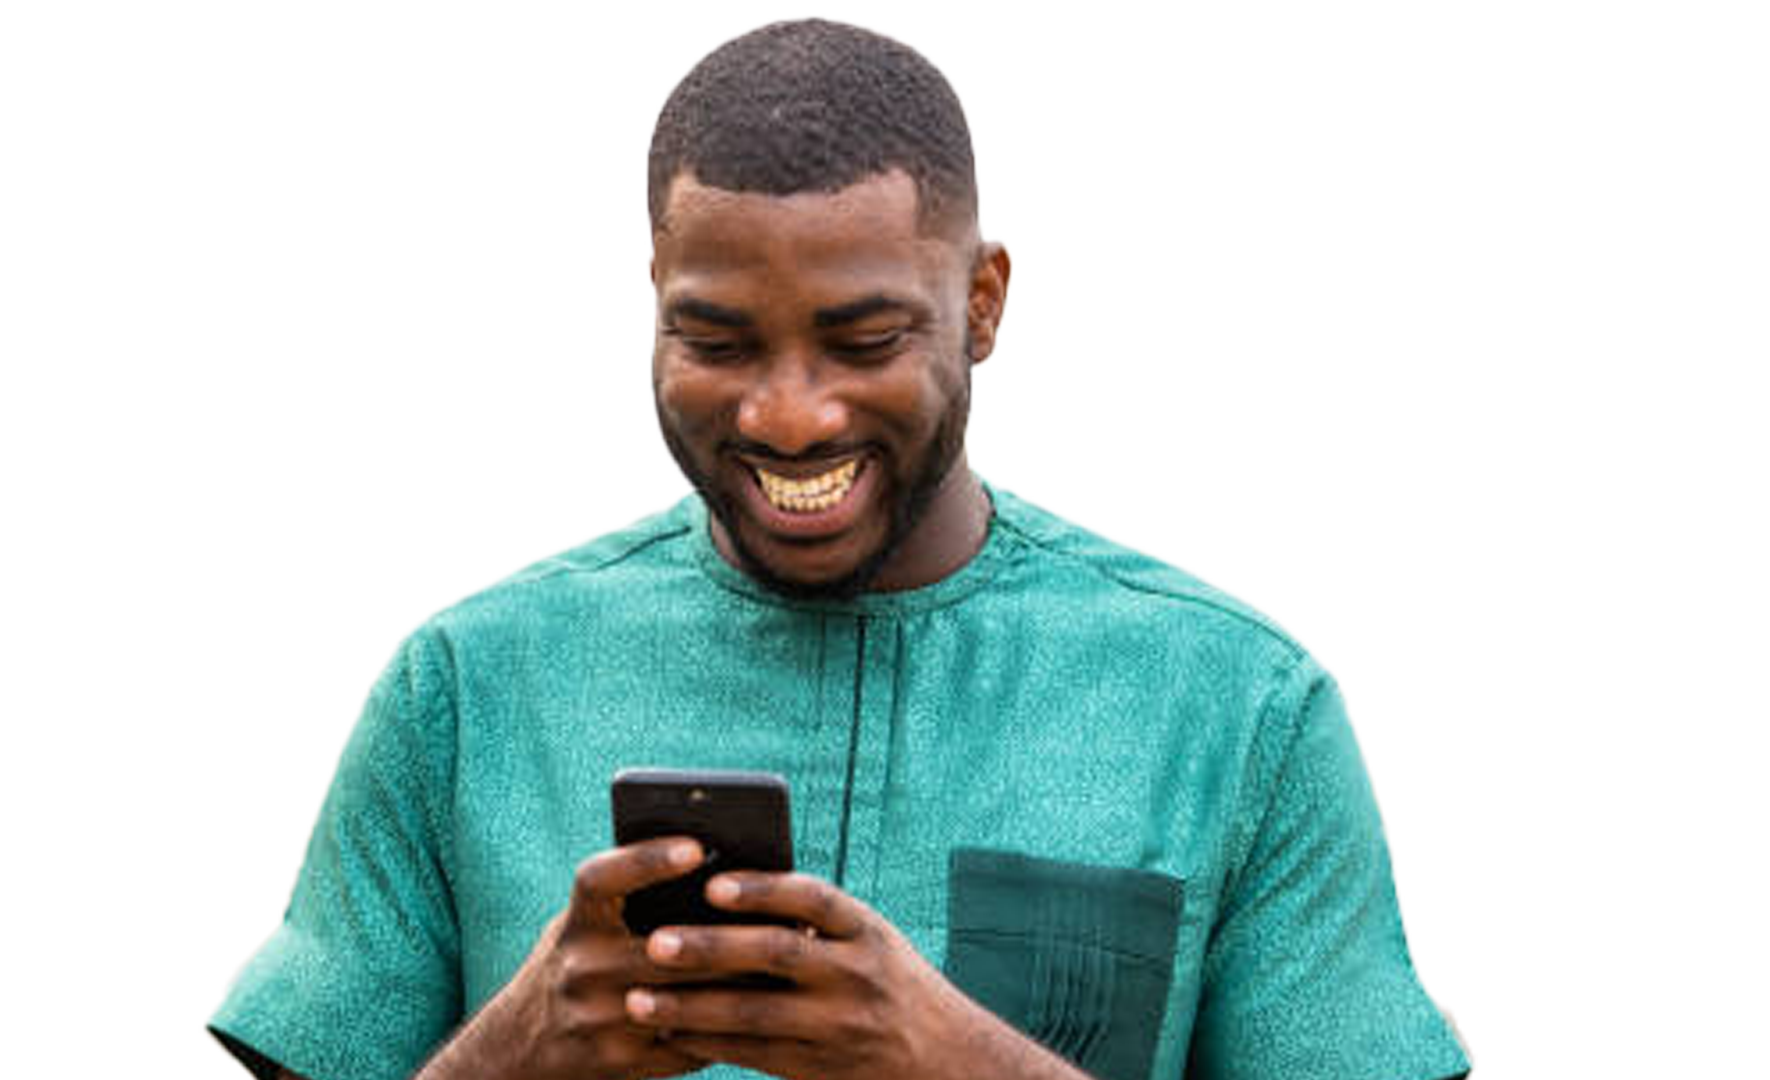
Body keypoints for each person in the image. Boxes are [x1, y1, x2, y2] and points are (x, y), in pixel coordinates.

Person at [206, 16, 1473, 1080]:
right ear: (655, 296)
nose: (789, 414)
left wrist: (955, 1057)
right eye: (717, 342)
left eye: (864, 341)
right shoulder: (464, 695)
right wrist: (517, 1049)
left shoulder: (1241, 713)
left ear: (982, 304)